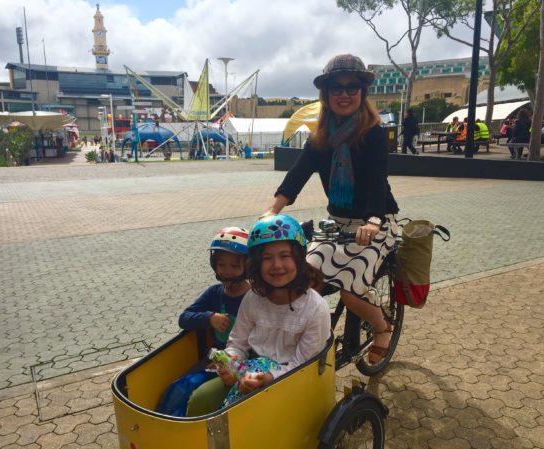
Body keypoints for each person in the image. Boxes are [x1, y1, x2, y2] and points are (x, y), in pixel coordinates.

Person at [262, 54, 399, 365]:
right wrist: (272, 211)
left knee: (351, 293)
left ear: (362, 93)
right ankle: (313, 334)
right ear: (326, 95)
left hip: (377, 221)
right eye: (336, 88)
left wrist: (374, 220)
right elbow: (296, 175)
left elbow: (378, 178)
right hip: (337, 222)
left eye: (352, 87)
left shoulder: (373, 132)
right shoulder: (320, 138)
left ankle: (382, 327)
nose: (344, 94)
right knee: (303, 276)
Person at [185, 215, 331, 416]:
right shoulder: (253, 298)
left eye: (285, 256)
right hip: (248, 371)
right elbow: (237, 343)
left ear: (298, 258)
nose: (277, 265)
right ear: (255, 263)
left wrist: (269, 377)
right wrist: (229, 366)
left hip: (292, 381)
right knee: (200, 399)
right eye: (267, 258)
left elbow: (302, 365)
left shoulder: (316, 309)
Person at [156, 227, 251, 416]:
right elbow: (184, 318)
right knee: (178, 387)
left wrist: (229, 363)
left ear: (247, 266)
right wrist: (209, 318)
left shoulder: (253, 298)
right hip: (214, 361)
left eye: (234, 266)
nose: (227, 271)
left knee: (192, 390)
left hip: (241, 365)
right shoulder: (215, 293)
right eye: (222, 265)